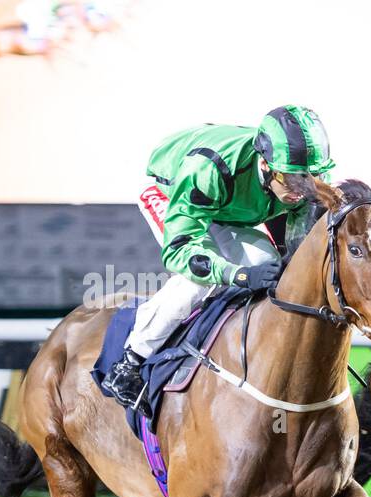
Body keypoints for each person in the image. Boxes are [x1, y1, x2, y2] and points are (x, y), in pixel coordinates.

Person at [100, 106, 333, 409]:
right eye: (291, 179)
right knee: (197, 282)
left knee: (269, 267)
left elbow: (298, 247)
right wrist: (238, 276)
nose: (300, 191)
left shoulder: (309, 176)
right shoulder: (205, 170)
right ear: (264, 163)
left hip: (230, 205)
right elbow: (180, 252)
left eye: (309, 179)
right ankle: (131, 360)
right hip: (175, 193)